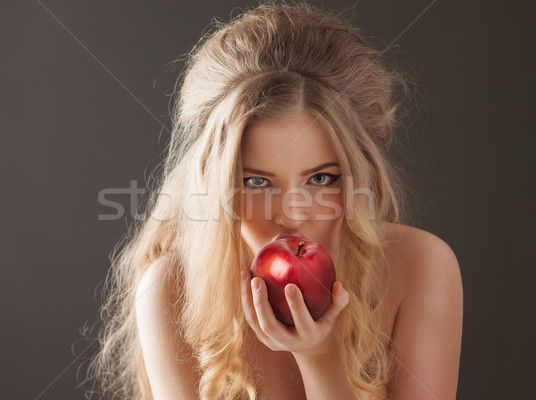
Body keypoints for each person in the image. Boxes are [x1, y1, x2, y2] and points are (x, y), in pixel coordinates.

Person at [86, 2, 463, 399]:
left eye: (321, 178)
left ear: (360, 173)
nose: (290, 214)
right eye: (256, 182)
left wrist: (321, 361)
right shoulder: (169, 290)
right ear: (216, 183)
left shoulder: (420, 267)